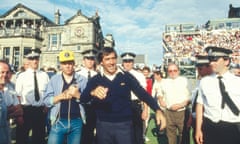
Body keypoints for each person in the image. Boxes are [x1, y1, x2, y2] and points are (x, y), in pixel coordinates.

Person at [80, 47, 166, 144]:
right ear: (101, 62)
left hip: (124, 126)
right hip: (103, 127)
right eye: (107, 59)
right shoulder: (95, 79)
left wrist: (157, 110)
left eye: (113, 58)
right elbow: (83, 98)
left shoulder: (126, 77)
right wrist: (93, 92)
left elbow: (142, 94)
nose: (111, 62)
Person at [195, 46, 240, 144]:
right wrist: (198, 129)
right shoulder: (204, 81)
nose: (211, 63)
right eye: (210, 60)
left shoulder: (237, 81)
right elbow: (200, 105)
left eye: (215, 60)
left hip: (233, 127)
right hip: (210, 126)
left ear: (226, 61)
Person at [43, 50, 88, 144]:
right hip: (58, 121)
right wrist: (60, 96)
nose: (67, 66)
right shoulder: (54, 79)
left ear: (74, 64)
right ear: (60, 65)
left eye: (70, 63)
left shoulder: (82, 80)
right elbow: (46, 101)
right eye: (64, 63)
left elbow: (89, 101)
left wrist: (78, 95)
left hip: (76, 122)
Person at [15, 48, 49, 144]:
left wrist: (46, 106)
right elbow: (18, 96)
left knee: (39, 138)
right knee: (22, 138)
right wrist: (19, 115)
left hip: (40, 111)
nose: (34, 61)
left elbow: (48, 93)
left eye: (36, 58)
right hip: (25, 110)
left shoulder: (44, 75)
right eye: (32, 58)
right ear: (28, 60)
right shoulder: (22, 76)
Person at [158, 63, 191, 144]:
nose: (173, 72)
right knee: (170, 136)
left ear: (178, 71)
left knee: (184, 136)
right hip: (169, 113)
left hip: (182, 112)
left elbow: (191, 97)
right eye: (170, 71)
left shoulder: (185, 80)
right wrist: (162, 101)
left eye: (175, 70)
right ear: (167, 72)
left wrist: (180, 105)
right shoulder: (164, 82)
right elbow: (159, 94)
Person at [121, 52, 148, 144]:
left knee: (137, 132)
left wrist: (145, 110)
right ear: (122, 63)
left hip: (135, 105)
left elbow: (144, 95)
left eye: (130, 61)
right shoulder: (118, 75)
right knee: (123, 133)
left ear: (133, 62)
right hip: (122, 106)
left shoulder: (139, 76)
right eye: (125, 61)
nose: (127, 63)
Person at [190, 55, 213, 144]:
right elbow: (195, 101)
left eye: (200, 68)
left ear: (209, 68)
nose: (198, 71)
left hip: (206, 121)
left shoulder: (213, 83)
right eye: (197, 68)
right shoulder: (201, 81)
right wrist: (192, 117)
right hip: (196, 119)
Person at [77, 49, 98, 144]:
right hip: (80, 106)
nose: (90, 61)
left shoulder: (98, 75)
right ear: (83, 60)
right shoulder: (77, 74)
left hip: (93, 106)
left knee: (90, 131)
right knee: (79, 132)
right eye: (87, 59)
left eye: (92, 59)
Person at [0, 60, 23, 144]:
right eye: (2, 72)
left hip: (6, 129)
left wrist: (8, 111)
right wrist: (9, 111)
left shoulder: (11, 88)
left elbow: (18, 109)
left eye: (7, 72)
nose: (5, 75)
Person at [141, 66, 153, 142]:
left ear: (148, 73)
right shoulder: (138, 79)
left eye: (146, 72)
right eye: (144, 72)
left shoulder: (150, 80)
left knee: (146, 119)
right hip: (139, 101)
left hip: (147, 101)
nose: (145, 73)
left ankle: (143, 134)